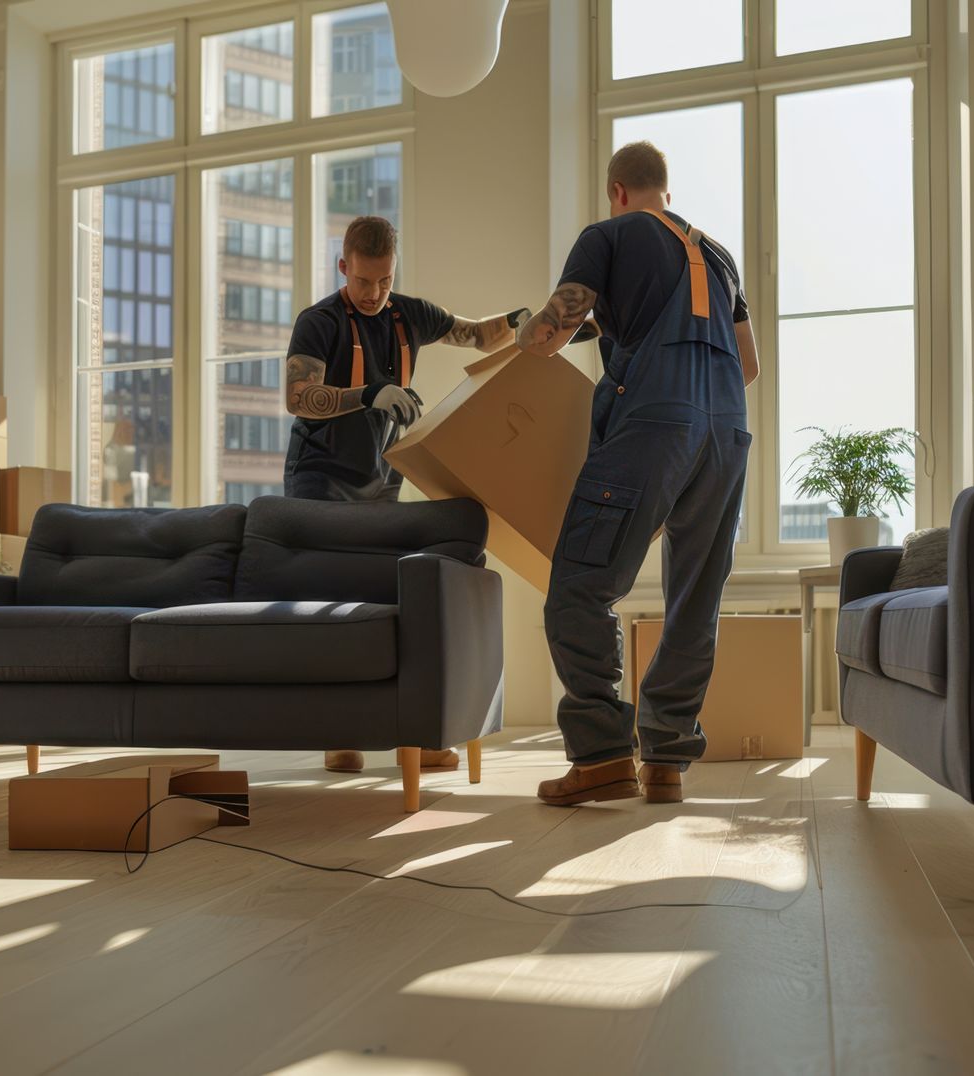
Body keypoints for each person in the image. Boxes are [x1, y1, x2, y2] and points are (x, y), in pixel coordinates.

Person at [516, 141, 760, 807]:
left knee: (580, 586)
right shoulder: (718, 254)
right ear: (665, 194)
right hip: (728, 431)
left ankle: (599, 755)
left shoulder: (607, 235)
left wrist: (521, 331)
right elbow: (749, 364)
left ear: (616, 190)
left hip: (657, 419)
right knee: (693, 598)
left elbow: (551, 333)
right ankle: (665, 760)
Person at [281, 214, 526, 774]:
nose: (374, 293)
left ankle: (411, 733)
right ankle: (340, 733)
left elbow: (476, 333)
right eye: (364, 281)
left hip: (379, 479)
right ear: (344, 267)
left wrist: (518, 321)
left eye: (385, 281)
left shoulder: (408, 314)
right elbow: (299, 397)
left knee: (389, 604)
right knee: (331, 607)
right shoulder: (318, 322)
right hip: (320, 479)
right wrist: (369, 393)